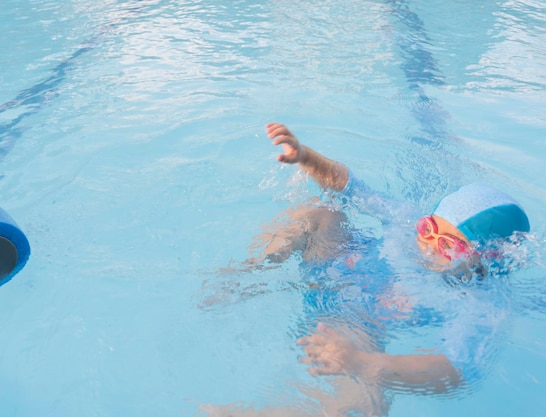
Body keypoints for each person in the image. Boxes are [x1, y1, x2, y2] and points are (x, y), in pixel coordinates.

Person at [201, 123, 530, 417]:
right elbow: (348, 185)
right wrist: (305, 156)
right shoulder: (405, 219)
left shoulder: (482, 302)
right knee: (319, 214)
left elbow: (456, 371)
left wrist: (365, 364)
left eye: (449, 246)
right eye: (429, 228)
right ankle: (246, 275)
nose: (429, 244)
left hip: (357, 328)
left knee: (369, 408)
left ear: (484, 260)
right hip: (336, 262)